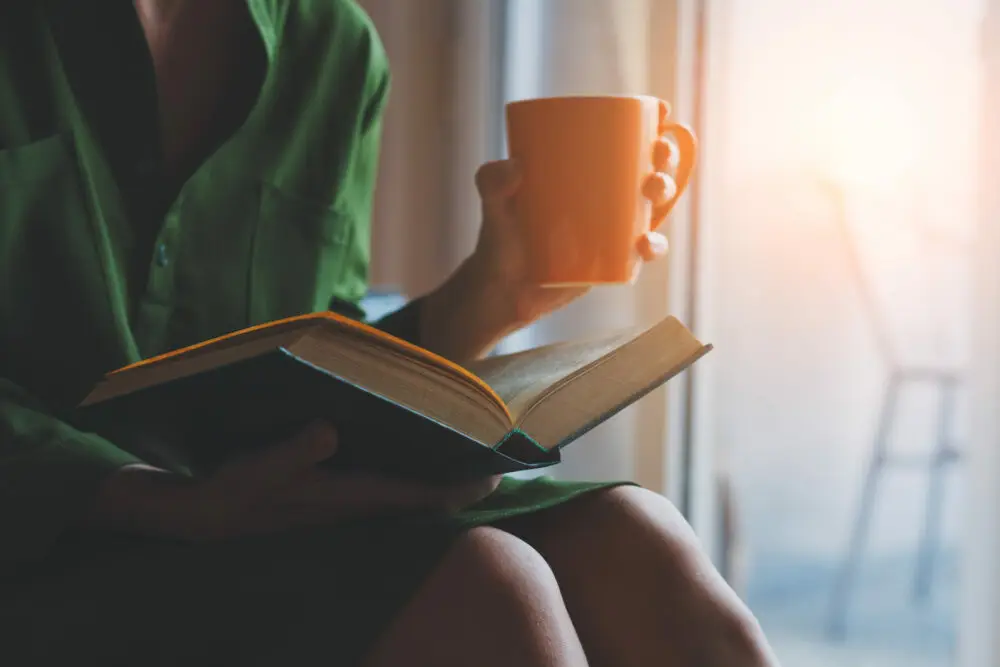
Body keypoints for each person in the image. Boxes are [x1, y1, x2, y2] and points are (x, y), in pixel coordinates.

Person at [0, 2, 780, 666]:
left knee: (642, 546)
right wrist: (160, 502)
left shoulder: (333, 50)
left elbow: (311, 354)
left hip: (266, 516)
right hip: (49, 539)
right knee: (488, 586)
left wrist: (490, 295)